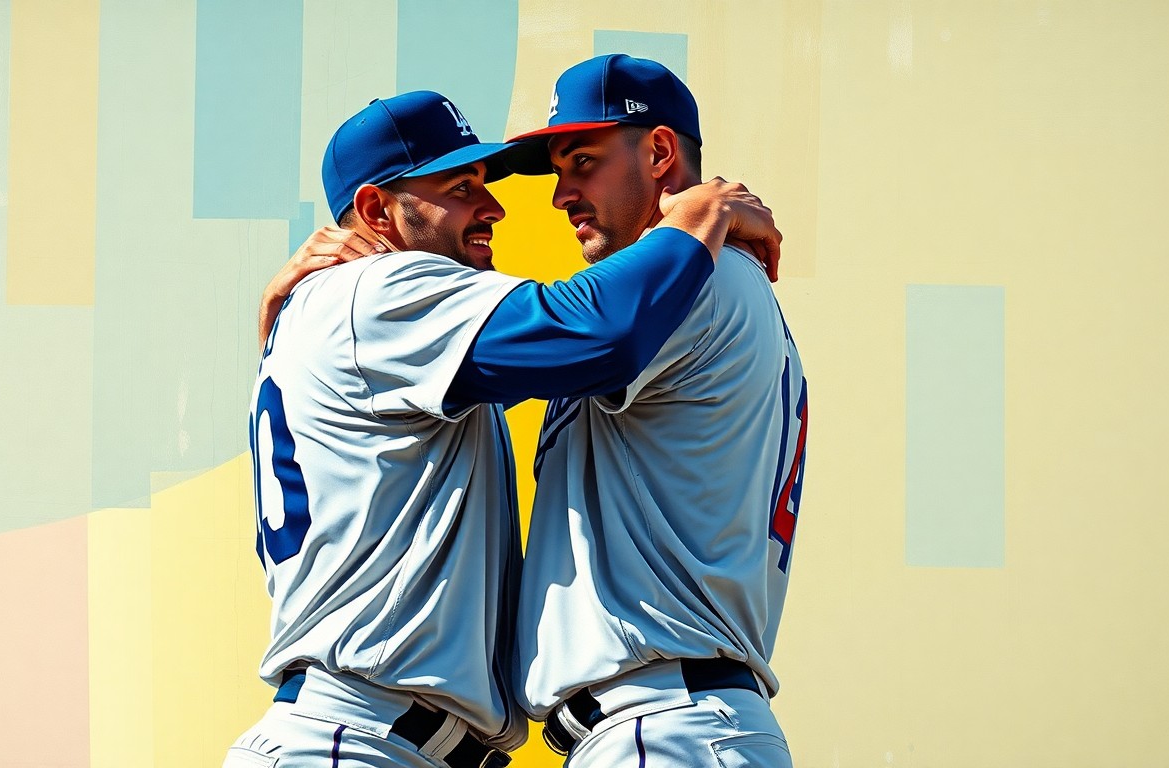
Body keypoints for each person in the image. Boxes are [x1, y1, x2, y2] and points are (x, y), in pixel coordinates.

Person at [228, 89, 783, 768]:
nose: (495, 208)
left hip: (380, 734)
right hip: (359, 736)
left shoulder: (371, 323)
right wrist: (697, 218)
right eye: (461, 188)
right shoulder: (381, 293)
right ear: (375, 210)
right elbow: (590, 333)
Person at [503, 54, 808, 768]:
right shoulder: (696, 284)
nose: (561, 195)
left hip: (666, 719)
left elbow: (566, 333)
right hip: (680, 719)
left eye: (583, 162)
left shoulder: (696, 286)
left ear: (661, 152)